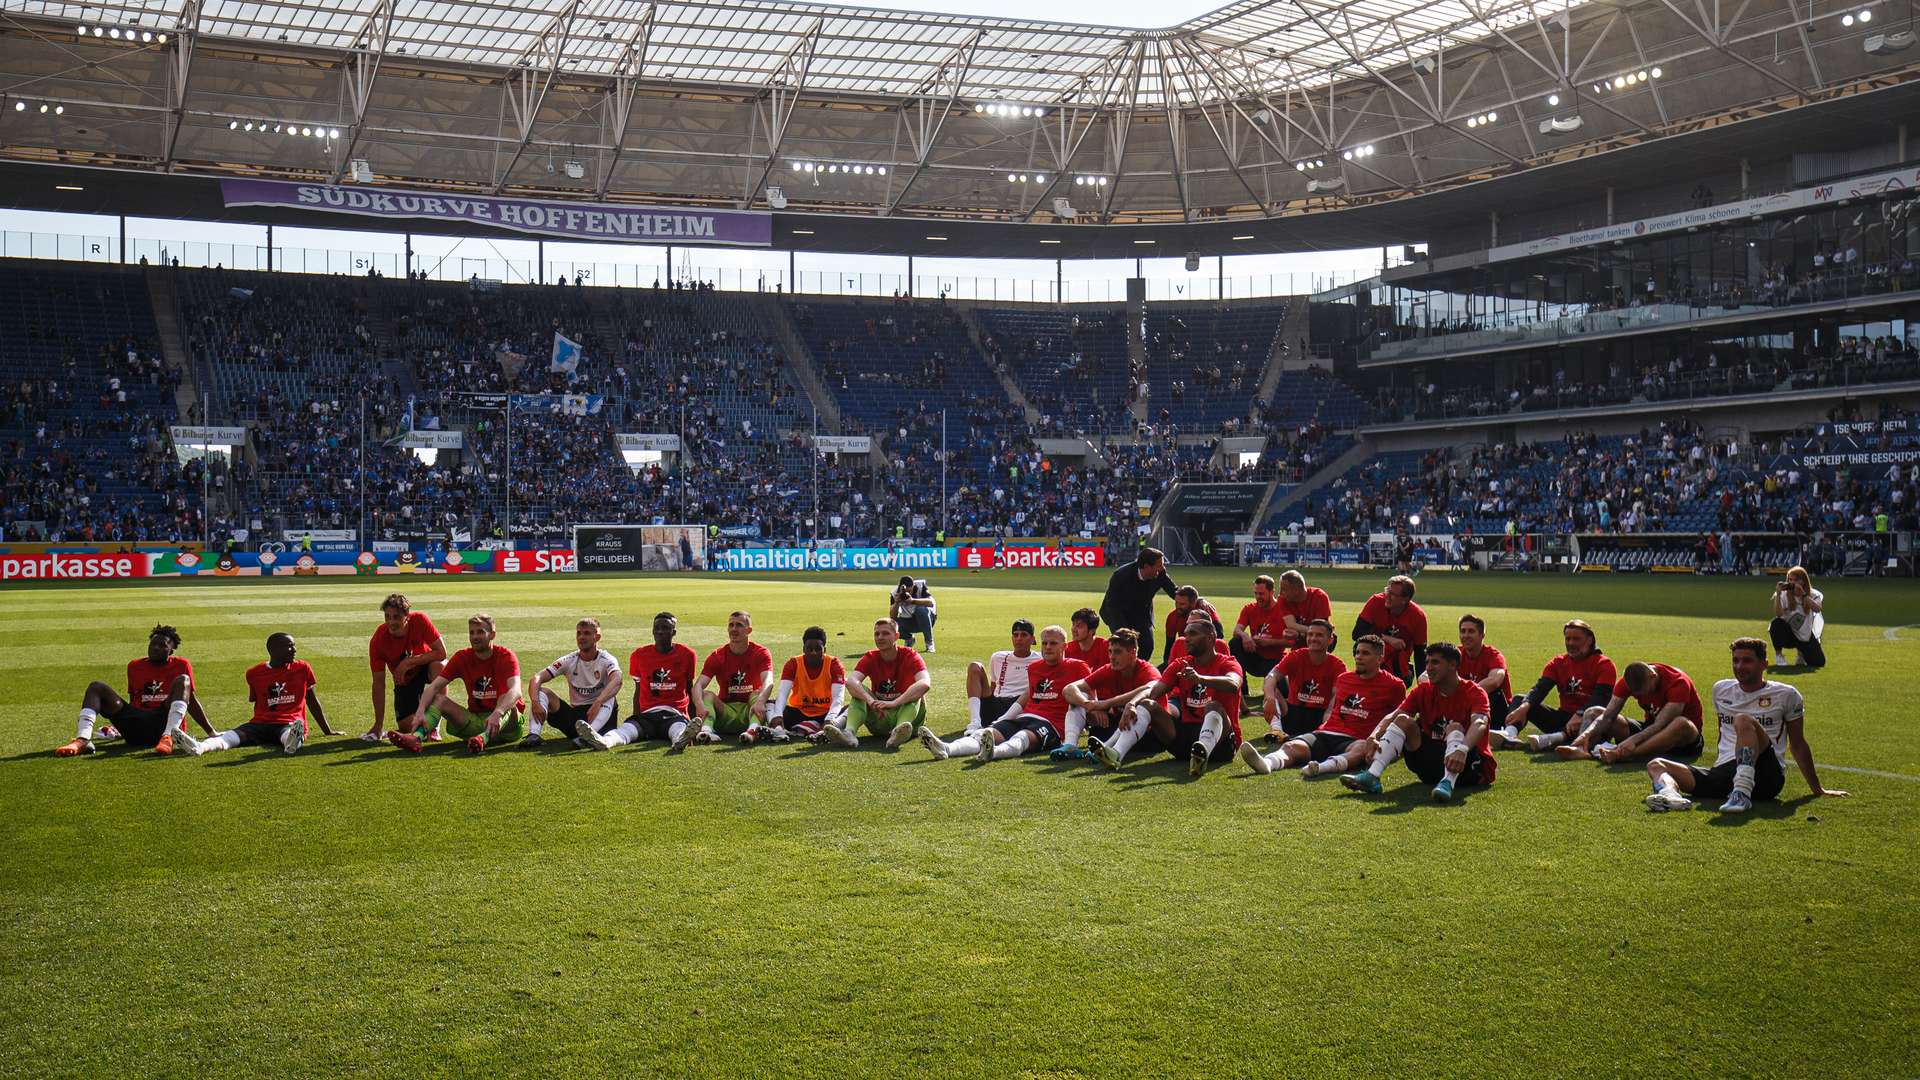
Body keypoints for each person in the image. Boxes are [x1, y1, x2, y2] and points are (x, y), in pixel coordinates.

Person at [1644, 637, 1849, 812]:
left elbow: (1798, 744)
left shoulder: (1787, 695)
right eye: (1735, 661)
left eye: (1747, 661)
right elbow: (1723, 734)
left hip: (1766, 777)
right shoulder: (1721, 690)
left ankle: (1741, 793)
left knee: (1743, 720)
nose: (1739, 666)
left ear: (1764, 664)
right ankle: (1670, 796)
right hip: (1726, 772)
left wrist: (1817, 789)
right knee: (1656, 764)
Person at [1336, 643, 1494, 802]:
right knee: (1403, 720)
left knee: (1455, 727)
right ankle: (1372, 775)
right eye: (1427, 662)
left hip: (1468, 766)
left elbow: (1480, 722)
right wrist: (1374, 735)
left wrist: (1463, 749)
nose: (1428, 668)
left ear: (1453, 665)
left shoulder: (1474, 692)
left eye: (1435, 662)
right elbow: (1395, 715)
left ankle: (1448, 782)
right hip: (1429, 765)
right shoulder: (1424, 690)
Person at [1096, 612, 1244, 778]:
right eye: (1186, 634)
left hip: (1221, 745)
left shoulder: (1228, 662)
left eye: (1193, 634)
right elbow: (1153, 691)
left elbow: (1233, 684)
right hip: (1186, 741)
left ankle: (1203, 753)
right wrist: (1132, 704)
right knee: (1147, 705)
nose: (1186, 638)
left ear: (1210, 638)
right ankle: (1116, 753)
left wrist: (1200, 678)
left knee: (1213, 706)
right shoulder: (1181, 664)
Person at [1240, 635, 1405, 778]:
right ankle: (1267, 764)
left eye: (1365, 653)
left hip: (1355, 739)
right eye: (1357, 652)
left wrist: (1380, 741)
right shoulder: (1344, 679)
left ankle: (1321, 768)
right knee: (1291, 746)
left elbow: (1397, 719)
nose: (1358, 657)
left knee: (1361, 748)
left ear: (1380, 658)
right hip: (1326, 732)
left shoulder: (1394, 686)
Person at [921, 626, 1089, 763]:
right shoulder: (1035, 667)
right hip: (1025, 716)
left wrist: (1092, 713)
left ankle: (993, 753)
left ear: (1064, 646)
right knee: (984, 734)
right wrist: (1006, 718)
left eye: (1053, 643)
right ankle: (946, 748)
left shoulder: (1078, 667)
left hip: (1052, 725)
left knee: (1020, 738)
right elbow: (1027, 696)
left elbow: (1089, 694)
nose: (1048, 647)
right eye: (1045, 643)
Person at [57, 625, 214, 757]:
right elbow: (134, 699)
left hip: (163, 723)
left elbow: (190, 700)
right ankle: (82, 740)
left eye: (162, 645)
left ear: (171, 650)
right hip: (136, 728)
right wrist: (120, 727)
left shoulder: (181, 664)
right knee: (96, 687)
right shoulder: (134, 666)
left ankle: (168, 737)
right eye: (152, 644)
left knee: (183, 680)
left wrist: (211, 732)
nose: (155, 648)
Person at [389, 613, 524, 754]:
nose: (475, 637)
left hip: (509, 727)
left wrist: (498, 712)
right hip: (477, 722)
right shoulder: (462, 657)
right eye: (472, 633)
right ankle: (416, 738)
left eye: (480, 632)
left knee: (507, 698)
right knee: (439, 699)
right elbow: (434, 687)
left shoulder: (506, 656)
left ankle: (483, 739)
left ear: (492, 635)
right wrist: (420, 711)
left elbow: (516, 691)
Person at [178, 633, 333, 755]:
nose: (294, 650)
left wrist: (327, 730)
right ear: (273, 649)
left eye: (294, 646)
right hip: (260, 723)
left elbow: (312, 700)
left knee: (288, 734)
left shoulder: (302, 668)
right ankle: (200, 747)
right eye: (289, 646)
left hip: (290, 722)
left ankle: (292, 743)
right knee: (232, 736)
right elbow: (259, 702)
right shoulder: (254, 673)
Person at [1493, 620, 1616, 751]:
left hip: (1593, 723)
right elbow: (1540, 689)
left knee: (1592, 714)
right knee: (1520, 700)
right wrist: (1524, 707)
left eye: (1576, 639)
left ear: (1590, 640)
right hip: (1564, 718)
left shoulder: (1604, 665)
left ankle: (1556, 739)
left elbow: (1600, 699)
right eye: (1568, 639)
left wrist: (1580, 714)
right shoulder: (1558, 663)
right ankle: (1510, 735)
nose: (1571, 643)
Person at [580, 613, 696, 750]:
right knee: (626, 730)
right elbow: (638, 690)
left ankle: (680, 740)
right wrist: (637, 716)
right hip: (647, 715)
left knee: (678, 730)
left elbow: (690, 689)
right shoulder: (639, 655)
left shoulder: (687, 654)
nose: (660, 632)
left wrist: (692, 720)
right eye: (657, 628)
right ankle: (604, 741)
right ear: (652, 631)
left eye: (665, 628)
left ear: (673, 632)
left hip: (674, 714)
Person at [1553, 660, 1704, 764]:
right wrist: (1586, 733)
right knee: (1594, 713)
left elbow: (1661, 725)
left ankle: (1622, 754)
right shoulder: (1627, 681)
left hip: (1682, 739)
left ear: (1653, 676)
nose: (1641, 695)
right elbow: (1608, 715)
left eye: (1643, 691)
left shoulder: (1678, 682)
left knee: (1680, 723)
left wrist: (1631, 741)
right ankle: (1582, 748)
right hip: (1649, 730)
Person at [820, 618, 931, 748]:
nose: (880, 637)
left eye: (885, 633)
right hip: (880, 715)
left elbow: (925, 683)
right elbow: (851, 682)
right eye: (877, 634)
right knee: (858, 693)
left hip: (909, 721)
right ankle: (849, 733)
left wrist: (894, 702)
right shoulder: (871, 657)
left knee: (915, 694)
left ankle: (899, 732)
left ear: (896, 636)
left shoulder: (910, 655)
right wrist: (870, 701)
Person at [1057, 627, 1159, 760]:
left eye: (1117, 652)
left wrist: (1104, 704)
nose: (1111, 657)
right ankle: (1070, 746)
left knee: (1139, 707)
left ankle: (1110, 751)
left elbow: (1150, 688)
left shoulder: (1147, 670)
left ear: (1133, 653)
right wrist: (1088, 705)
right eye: (1110, 652)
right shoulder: (1109, 669)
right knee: (1078, 700)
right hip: (1119, 725)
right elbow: (1069, 689)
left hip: (1149, 733)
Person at [528, 618, 625, 749]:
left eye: (587, 633)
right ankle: (534, 735)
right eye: (579, 633)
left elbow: (618, 678)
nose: (581, 637)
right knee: (543, 692)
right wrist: (535, 702)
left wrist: (598, 702)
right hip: (576, 719)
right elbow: (537, 678)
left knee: (610, 696)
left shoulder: (607, 659)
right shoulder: (569, 660)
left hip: (601, 716)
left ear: (597, 637)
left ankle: (589, 737)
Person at [363, 593, 447, 743]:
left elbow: (442, 652)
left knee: (440, 666)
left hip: (425, 666)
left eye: (396, 617)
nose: (391, 622)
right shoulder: (378, 640)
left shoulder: (420, 619)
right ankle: (424, 725)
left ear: (407, 615)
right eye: (387, 616)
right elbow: (378, 683)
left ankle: (434, 724)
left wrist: (409, 662)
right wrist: (378, 724)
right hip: (404, 679)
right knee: (406, 726)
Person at [690, 610, 774, 745]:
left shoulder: (760, 653)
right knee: (707, 695)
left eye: (739, 625)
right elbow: (698, 685)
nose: (734, 629)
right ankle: (706, 732)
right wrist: (699, 706)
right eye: (731, 625)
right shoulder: (717, 656)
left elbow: (768, 681)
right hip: (725, 713)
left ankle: (752, 732)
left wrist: (760, 701)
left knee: (758, 694)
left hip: (751, 711)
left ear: (749, 630)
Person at [754, 626, 846, 743]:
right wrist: (778, 717)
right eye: (809, 649)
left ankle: (825, 730)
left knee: (851, 708)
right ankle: (778, 731)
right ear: (803, 649)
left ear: (825, 649)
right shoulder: (793, 664)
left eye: (818, 649)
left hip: (825, 714)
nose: (813, 652)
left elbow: (838, 698)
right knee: (769, 704)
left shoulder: (834, 664)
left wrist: (829, 720)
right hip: (798, 712)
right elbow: (782, 694)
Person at [1266, 619, 1345, 740]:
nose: (1313, 638)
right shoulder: (1296, 655)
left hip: (1320, 716)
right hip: (1293, 714)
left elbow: (1337, 696)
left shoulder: (1337, 665)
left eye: (1319, 635)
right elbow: (1271, 677)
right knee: (1272, 689)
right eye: (1310, 634)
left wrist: (1328, 718)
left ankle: (1321, 734)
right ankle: (1277, 731)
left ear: (1330, 640)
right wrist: (1270, 698)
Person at [1097, 546, 1178, 664]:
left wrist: (1194, 599)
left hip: (1141, 614)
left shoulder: (1160, 573)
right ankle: (1121, 671)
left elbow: (1174, 591)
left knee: (1147, 646)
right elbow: (1113, 606)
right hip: (1119, 614)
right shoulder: (1121, 576)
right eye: (1159, 566)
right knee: (1124, 646)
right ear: (1146, 566)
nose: (1162, 568)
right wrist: (1124, 631)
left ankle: (1137, 671)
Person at [1352, 574, 1426, 686]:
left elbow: (1420, 653)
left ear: (1405, 599)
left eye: (1392, 594)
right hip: (1372, 659)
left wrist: (1423, 685)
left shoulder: (1418, 616)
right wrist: (1388, 639)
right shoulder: (1376, 602)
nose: (1387, 596)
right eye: (1387, 591)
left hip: (1399, 665)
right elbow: (1357, 634)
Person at [1229, 574, 1291, 707]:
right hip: (1255, 656)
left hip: (1275, 660)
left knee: (1285, 693)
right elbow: (1237, 630)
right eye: (1256, 593)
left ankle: (1275, 683)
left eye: (1261, 594)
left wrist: (1269, 642)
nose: (1258, 597)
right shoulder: (1249, 609)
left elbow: (1291, 642)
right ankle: (1242, 688)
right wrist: (1246, 637)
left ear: (1271, 592)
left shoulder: (1284, 611)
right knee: (1235, 642)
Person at [966, 620, 1037, 733]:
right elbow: (993, 686)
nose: (1019, 638)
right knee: (975, 666)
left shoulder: (1040, 660)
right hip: (998, 703)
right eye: (1015, 635)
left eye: (1024, 635)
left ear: (1032, 639)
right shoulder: (998, 657)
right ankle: (975, 722)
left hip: (1021, 706)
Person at [1454, 614, 1510, 721]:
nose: (1466, 635)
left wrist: (1463, 696)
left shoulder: (1494, 656)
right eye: (1463, 631)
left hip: (1496, 709)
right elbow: (1428, 674)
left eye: (1471, 631)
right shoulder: (1456, 654)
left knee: (1493, 692)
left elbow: (1494, 681)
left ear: (1482, 635)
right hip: (1468, 707)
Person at [1768, 566, 1825, 668]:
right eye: (1790, 580)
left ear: (1803, 581)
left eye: (1796, 580)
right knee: (1776, 623)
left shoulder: (1813, 594)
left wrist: (1803, 595)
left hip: (1804, 635)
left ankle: (1801, 653)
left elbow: (1817, 609)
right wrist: (1778, 594)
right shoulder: (1784, 594)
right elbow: (1779, 614)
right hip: (1789, 633)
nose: (1792, 583)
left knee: (1819, 662)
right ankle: (1779, 654)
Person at [891, 576, 938, 653]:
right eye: (906, 591)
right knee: (891, 624)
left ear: (913, 585)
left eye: (910, 591)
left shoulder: (920, 586)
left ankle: (929, 643)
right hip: (909, 621)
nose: (908, 593)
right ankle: (909, 639)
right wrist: (896, 603)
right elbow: (892, 616)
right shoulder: (895, 592)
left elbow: (931, 603)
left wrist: (913, 601)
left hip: (927, 619)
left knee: (920, 610)